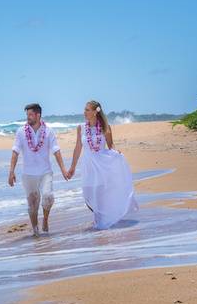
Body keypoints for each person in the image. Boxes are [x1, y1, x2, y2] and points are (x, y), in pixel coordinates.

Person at [67, 100, 138, 229]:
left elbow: (111, 145)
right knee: (88, 195)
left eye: (87, 110)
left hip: (102, 165)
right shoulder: (81, 127)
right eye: (85, 109)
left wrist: (116, 153)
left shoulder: (105, 127)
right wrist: (72, 167)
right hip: (88, 165)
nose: (84, 112)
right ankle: (100, 217)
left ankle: (100, 221)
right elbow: (78, 147)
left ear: (95, 112)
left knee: (99, 194)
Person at [8, 103, 70, 236]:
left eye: (30, 115)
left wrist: (63, 169)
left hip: (45, 172)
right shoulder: (21, 132)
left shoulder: (48, 131)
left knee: (48, 197)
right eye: (27, 115)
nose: (28, 118)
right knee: (33, 205)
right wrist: (11, 171)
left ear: (38, 115)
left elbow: (56, 151)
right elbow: (15, 152)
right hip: (28, 174)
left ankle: (45, 220)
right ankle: (36, 231)